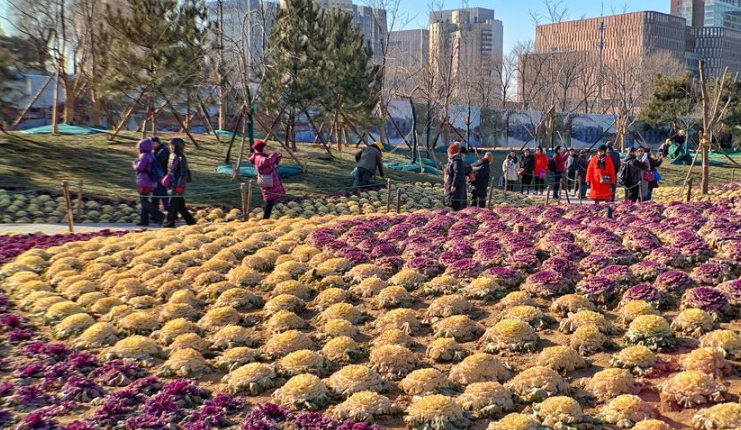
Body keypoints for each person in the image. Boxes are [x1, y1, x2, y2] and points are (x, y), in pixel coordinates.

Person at [163, 138, 196, 228]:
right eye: (170, 145)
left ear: (178, 146)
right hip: (172, 183)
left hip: (178, 185)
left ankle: (170, 223)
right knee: (180, 205)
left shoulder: (181, 158)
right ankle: (190, 221)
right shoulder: (171, 155)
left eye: (172, 145)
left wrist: (179, 187)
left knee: (172, 204)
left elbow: (183, 174)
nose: (170, 146)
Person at [250, 140, 285, 220]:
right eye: (265, 147)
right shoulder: (259, 157)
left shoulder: (261, 156)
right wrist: (275, 153)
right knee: (269, 201)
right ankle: (265, 219)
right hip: (268, 181)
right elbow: (268, 162)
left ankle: (266, 217)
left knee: (270, 201)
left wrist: (278, 158)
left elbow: (272, 165)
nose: (267, 148)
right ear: (261, 148)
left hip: (270, 180)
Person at [133, 138, 164, 227]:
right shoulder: (151, 154)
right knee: (145, 200)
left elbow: (140, 168)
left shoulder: (144, 156)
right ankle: (144, 220)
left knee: (144, 201)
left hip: (144, 181)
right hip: (150, 181)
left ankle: (159, 215)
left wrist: (135, 164)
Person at [444, 142, 468, 211]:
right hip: (451, 185)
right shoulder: (454, 161)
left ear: (451, 152)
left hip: (455, 188)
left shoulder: (457, 161)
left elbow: (457, 173)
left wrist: (454, 185)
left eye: (448, 152)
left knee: (453, 204)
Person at [151, 136, 170, 212]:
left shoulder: (163, 150)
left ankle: (168, 209)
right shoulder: (157, 150)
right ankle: (155, 210)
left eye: (152, 144)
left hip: (162, 175)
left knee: (162, 193)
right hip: (158, 175)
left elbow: (158, 160)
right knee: (156, 193)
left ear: (156, 143)